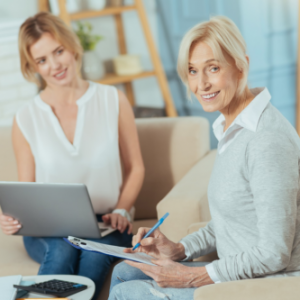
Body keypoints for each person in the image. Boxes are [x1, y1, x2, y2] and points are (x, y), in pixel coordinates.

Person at [108, 15, 300, 300]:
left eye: (212, 68)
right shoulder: (232, 128)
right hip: (239, 272)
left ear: (240, 65)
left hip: (265, 285)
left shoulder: (265, 140)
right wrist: (180, 249)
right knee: (124, 271)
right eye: (193, 71)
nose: (202, 84)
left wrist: (192, 277)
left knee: (127, 292)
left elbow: (274, 254)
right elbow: (234, 219)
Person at [0, 12, 145, 300]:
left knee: (91, 257)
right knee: (63, 248)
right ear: (33, 66)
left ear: (71, 46)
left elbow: (136, 167)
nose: (54, 65)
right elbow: (26, 191)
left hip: (107, 225)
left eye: (58, 51)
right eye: (42, 60)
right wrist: (10, 217)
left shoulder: (112, 99)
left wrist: (122, 210)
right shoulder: (26, 118)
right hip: (50, 230)